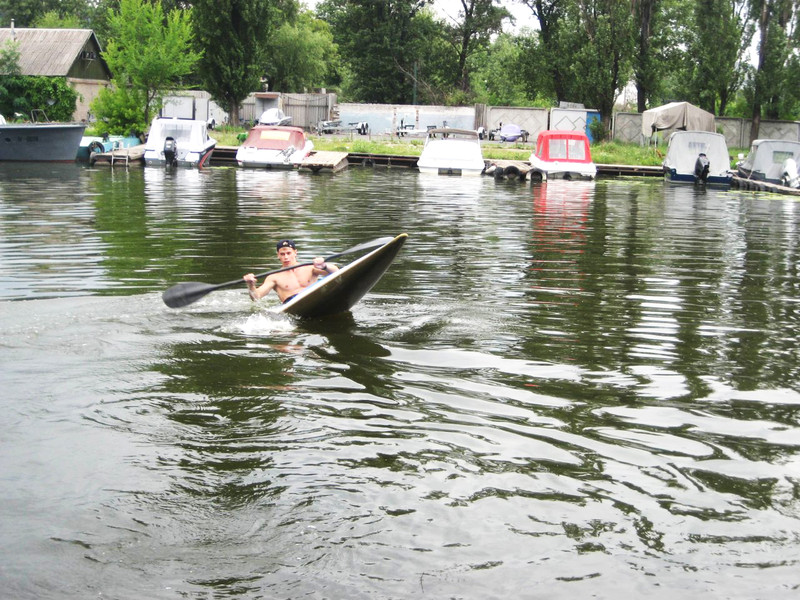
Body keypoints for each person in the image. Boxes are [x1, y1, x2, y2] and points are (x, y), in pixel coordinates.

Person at [243, 239, 338, 303]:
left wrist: (324, 266)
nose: (286, 257)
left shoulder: (310, 268)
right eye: (282, 254)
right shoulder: (274, 277)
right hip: (292, 303)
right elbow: (256, 297)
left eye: (289, 253)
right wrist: (250, 285)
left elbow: (336, 272)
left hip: (313, 298)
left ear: (295, 253)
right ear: (278, 255)